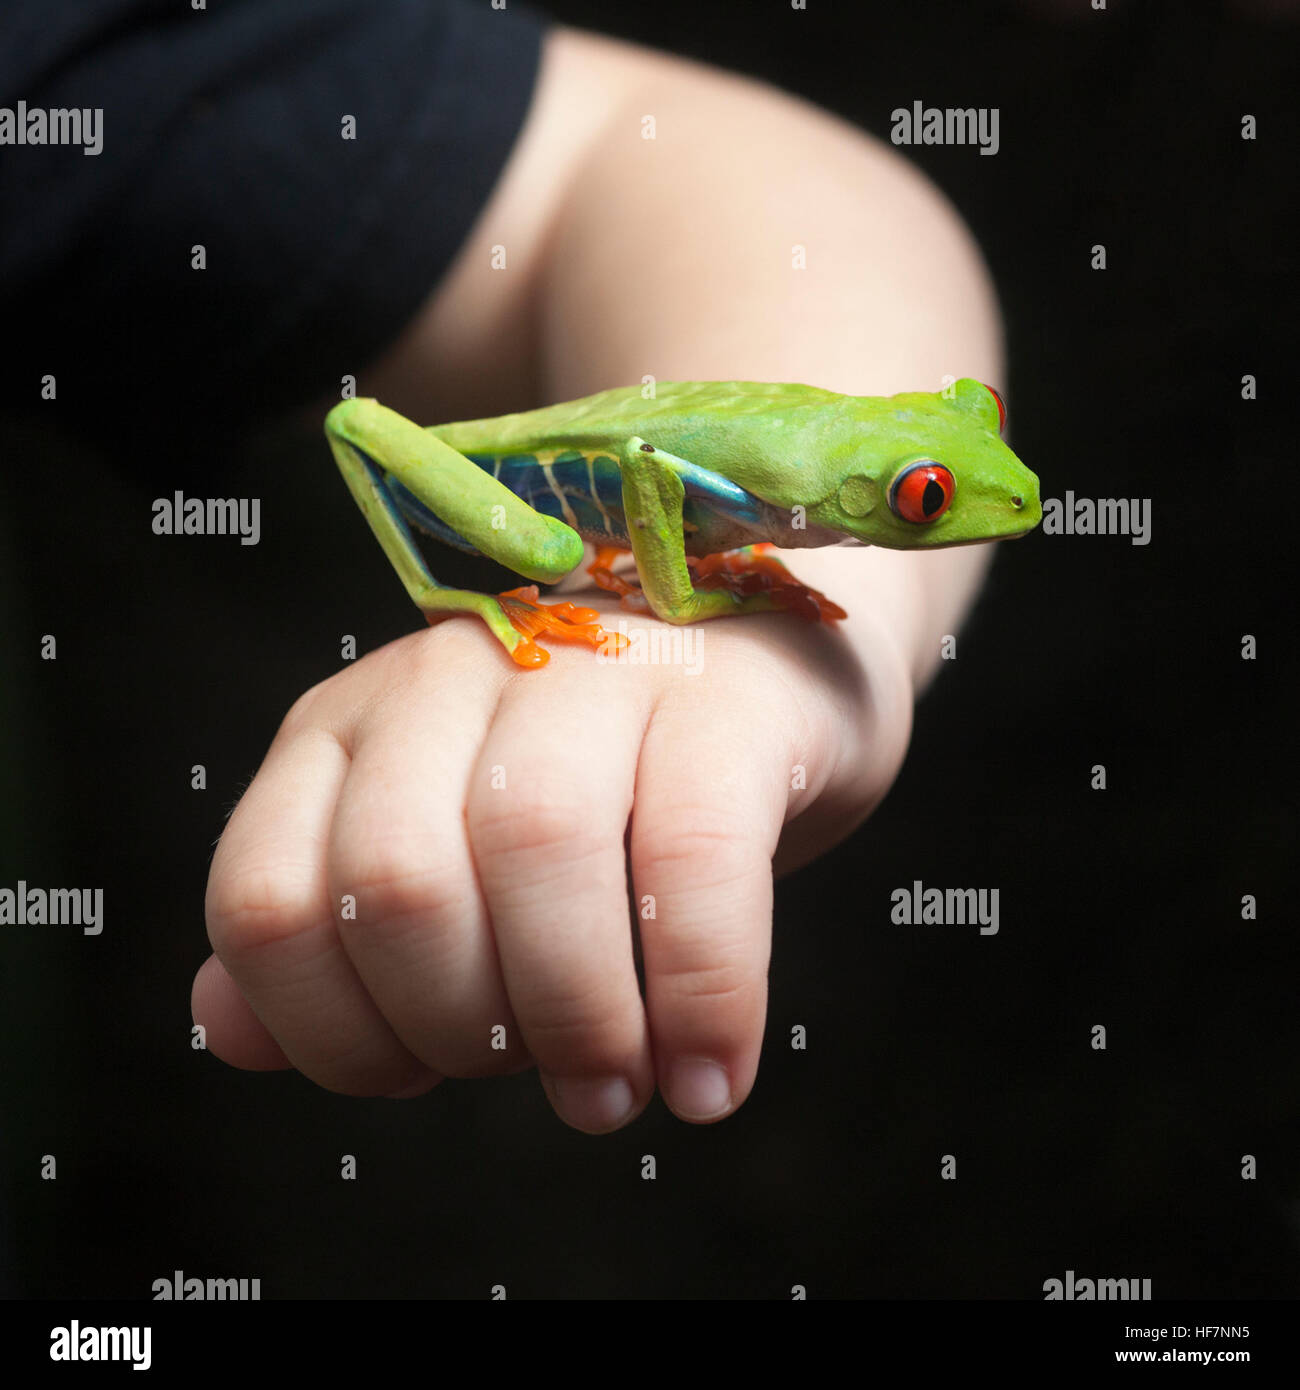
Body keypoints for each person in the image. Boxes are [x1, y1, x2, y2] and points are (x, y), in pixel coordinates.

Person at [6, 2, 1009, 1134]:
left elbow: (608, 159)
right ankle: (453, 586)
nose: (1000, 493)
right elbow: (637, 475)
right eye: (926, 496)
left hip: (693, 474)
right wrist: (675, 595)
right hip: (541, 494)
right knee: (543, 549)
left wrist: (854, 626)